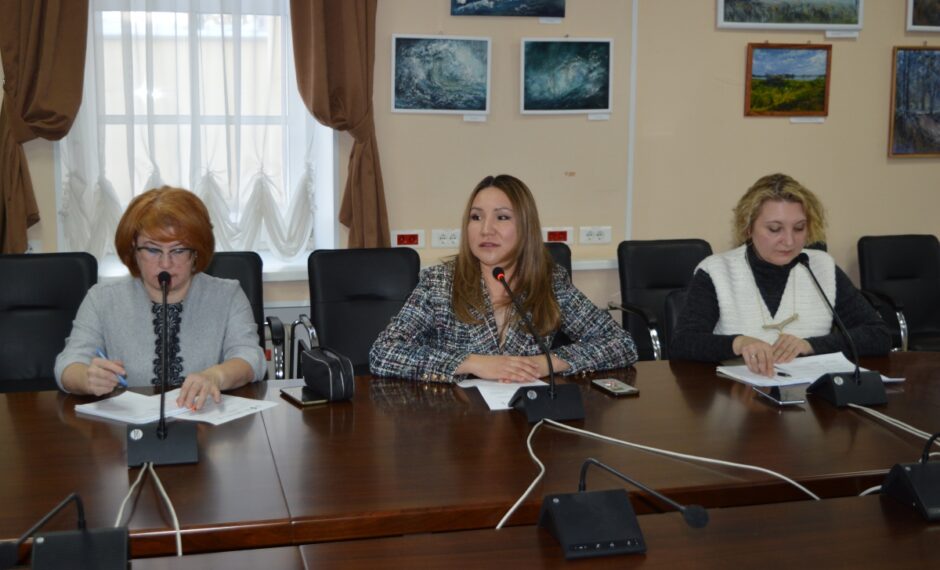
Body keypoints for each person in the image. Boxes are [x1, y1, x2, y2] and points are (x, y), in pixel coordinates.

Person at [369, 174, 637, 383]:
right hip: (457, 421)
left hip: (526, 420)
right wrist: (472, 363)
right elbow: (384, 352)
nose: (486, 229)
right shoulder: (439, 283)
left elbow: (621, 343)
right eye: (476, 217)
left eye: (502, 217)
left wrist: (547, 362)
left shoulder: (549, 281)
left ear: (525, 227)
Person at [55, 186, 267, 409]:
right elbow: (68, 364)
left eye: (178, 250)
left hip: (204, 421)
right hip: (129, 424)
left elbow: (251, 357)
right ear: (134, 251)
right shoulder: (102, 299)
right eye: (153, 250)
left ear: (195, 253)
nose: (166, 263)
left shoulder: (227, 295)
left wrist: (216, 376)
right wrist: (86, 378)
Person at [670, 173, 890, 376]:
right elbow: (683, 343)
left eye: (799, 228)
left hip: (811, 395)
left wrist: (811, 345)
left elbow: (879, 335)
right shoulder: (716, 271)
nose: (789, 241)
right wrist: (739, 343)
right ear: (748, 227)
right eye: (775, 229)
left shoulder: (821, 267)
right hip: (736, 395)